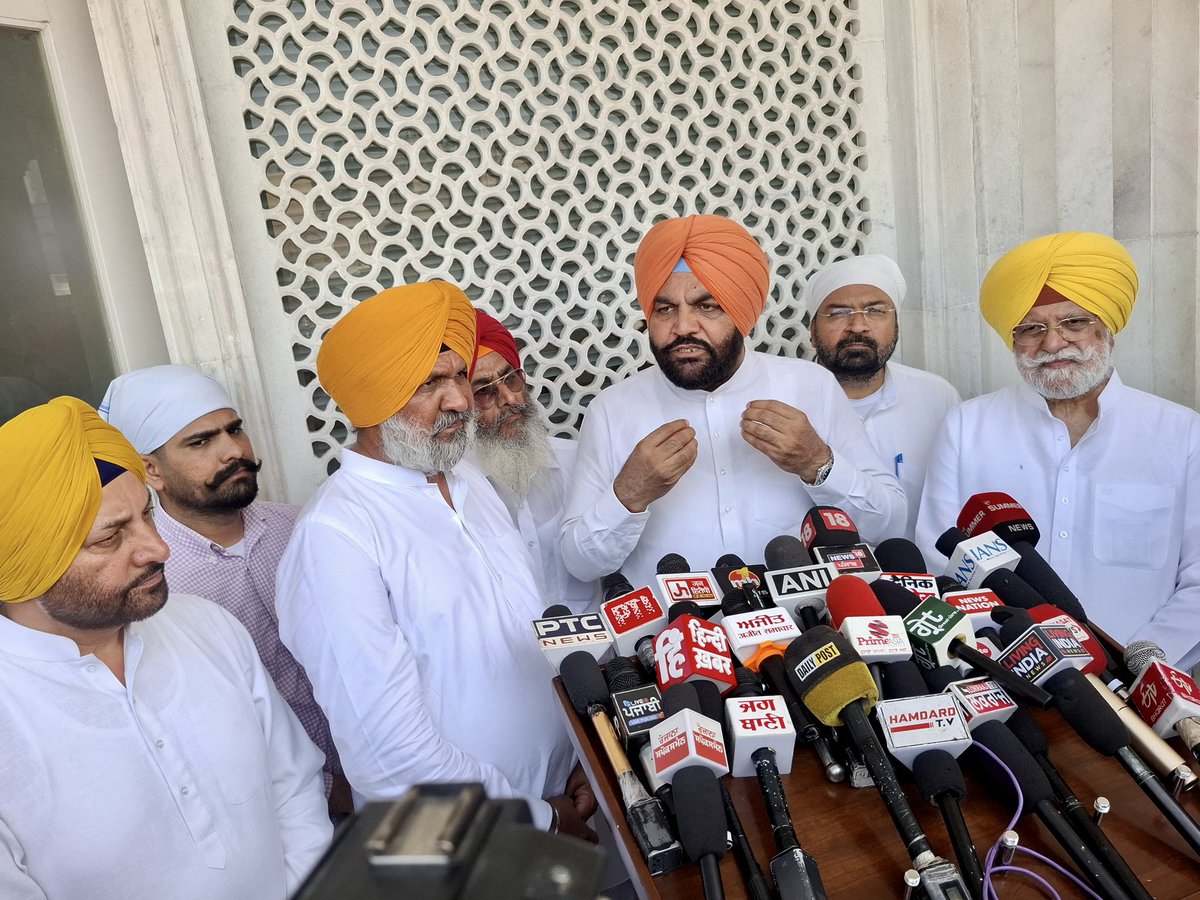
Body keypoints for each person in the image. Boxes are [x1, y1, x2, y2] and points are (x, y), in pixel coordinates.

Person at [275, 281, 596, 842]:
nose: (460, 401)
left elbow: (533, 637)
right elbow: (390, 757)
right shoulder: (337, 535)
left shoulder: (467, 476)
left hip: (565, 791)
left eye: (456, 377)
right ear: (373, 400)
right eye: (429, 384)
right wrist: (537, 819)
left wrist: (584, 755)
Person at [0, 397, 330, 899]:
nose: (158, 548)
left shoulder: (206, 626)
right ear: (27, 564)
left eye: (147, 517)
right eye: (111, 537)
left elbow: (296, 786)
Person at [561, 214, 906, 589]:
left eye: (707, 306)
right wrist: (630, 494)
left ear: (743, 314)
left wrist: (818, 464)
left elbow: (889, 523)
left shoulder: (812, 386)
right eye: (664, 309)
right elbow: (580, 564)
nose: (683, 327)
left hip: (806, 631)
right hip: (671, 639)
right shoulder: (612, 410)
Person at [916, 232, 1200, 669]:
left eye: (1073, 323)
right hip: (1001, 680)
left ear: (1108, 327)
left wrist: (1144, 661)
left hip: (1141, 685)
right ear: (1013, 340)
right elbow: (940, 562)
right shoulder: (966, 427)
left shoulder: (1182, 434)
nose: (1052, 344)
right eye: (1031, 328)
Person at [98, 364, 346, 811]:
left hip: (380, 770)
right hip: (275, 811)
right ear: (151, 470)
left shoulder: (300, 527)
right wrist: (327, 795)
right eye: (201, 441)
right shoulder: (150, 579)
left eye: (234, 429)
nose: (233, 450)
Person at [806, 254, 960, 541]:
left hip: (922, 578)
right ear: (813, 330)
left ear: (897, 325)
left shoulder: (937, 397)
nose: (858, 326)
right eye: (839, 313)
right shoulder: (784, 399)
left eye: (875, 311)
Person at [469, 310, 595, 611]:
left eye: (511, 379)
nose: (510, 399)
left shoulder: (577, 459)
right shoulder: (455, 492)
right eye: (485, 391)